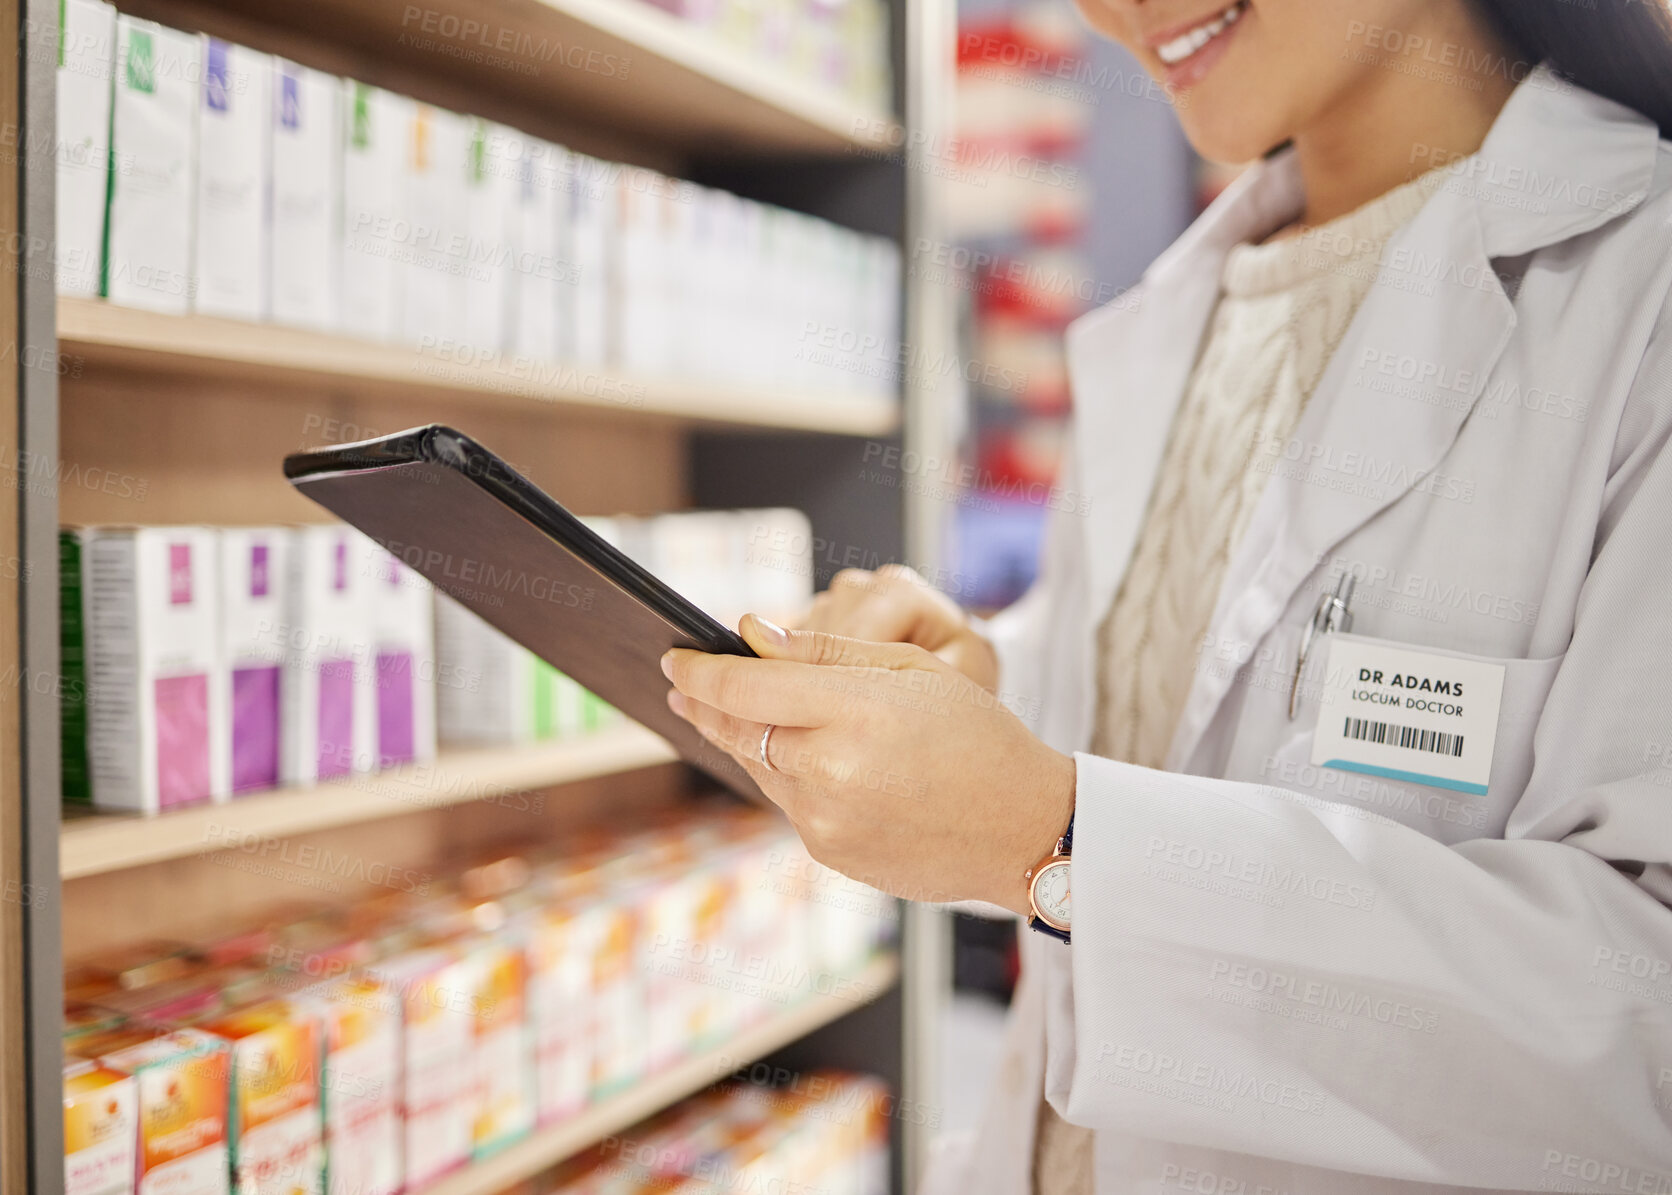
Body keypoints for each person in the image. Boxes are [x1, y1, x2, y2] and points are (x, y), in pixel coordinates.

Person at [663, 0, 1672, 1187]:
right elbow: (1188, 710)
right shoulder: (1176, 314)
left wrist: (1053, 837)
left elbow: (1639, 1033)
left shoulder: (1634, 295)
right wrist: (997, 680)